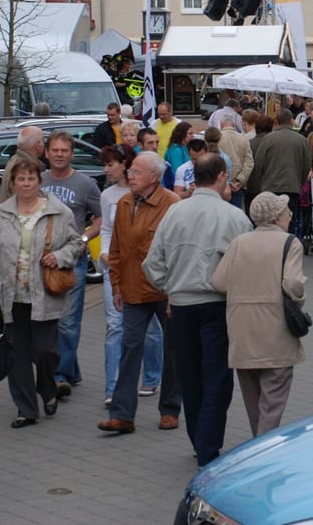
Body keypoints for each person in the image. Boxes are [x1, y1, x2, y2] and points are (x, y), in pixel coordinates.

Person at [143, 154, 252, 467]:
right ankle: (207, 445)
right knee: (217, 377)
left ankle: (199, 440)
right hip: (218, 304)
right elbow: (244, 266)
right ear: (220, 176)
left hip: (181, 305)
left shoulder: (174, 212)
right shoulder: (234, 217)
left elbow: (152, 263)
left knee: (190, 377)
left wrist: (171, 286)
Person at [0, 154, 82, 428]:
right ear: (13, 182)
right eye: (20, 179)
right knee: (16, 355)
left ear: (40, 182)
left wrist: (60, 257)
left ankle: (48, 387)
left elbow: (76, 244)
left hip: (44, 295)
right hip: (10, 295)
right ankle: (26, 409)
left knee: (43, 352)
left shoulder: (57, 211)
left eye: (31, 179)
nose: (26, 184)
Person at [98, 151, 183, 434]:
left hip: (164, 291)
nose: (129, 175)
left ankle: (170, 410)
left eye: (135, 171)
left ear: (153, 177)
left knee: (173, 350)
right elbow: (118, 250)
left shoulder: (172, 204)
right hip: (133, 289)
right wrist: (117, 286)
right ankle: (123, 415)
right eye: (130, 171)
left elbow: (178, 253)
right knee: (129, 348)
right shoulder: (123, 203)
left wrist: (174, 294)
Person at [211, 192, 305, 437]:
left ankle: (257, 443)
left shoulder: (239, 242)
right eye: (285, 211)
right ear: (276, 217)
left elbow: (219, 282)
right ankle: (263, 451)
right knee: (273, 401)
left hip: (242, 332)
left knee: (254, 401)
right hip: (276, 330)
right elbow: (293, 284)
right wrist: (300, 299)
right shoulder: (290, 242)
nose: (290, 214)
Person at [97, 145, 162, 408]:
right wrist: (104, 256)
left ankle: (152, 377)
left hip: (152, 277)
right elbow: (107, 231)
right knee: (116, 327)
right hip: (117, 269)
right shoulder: (111, 197)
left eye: (110, 164)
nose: (105, 169)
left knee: (153, 331)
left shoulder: (162, 198)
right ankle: (113, 389)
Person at [41, 130, 102, 399]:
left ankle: (60, 375)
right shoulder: (38, 180)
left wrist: (85, 237)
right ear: (46, 153)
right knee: (49, 319)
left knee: (68, 321)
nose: (59, 155)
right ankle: (71, 369)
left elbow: (101, 218)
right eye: (55, 150)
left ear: (71, 154)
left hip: (73, 260)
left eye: (64, 151)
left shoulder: (85, 184)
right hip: (42, 261)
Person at [250, 109, 311, 233]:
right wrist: (299, 181)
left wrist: (265, 178)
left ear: (276, 122)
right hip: (292, 186)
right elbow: (306, 165)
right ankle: (288, 246)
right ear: (291, 121)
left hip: (270, 185)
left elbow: (259, 163)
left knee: (270, 220)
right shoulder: (301, 140)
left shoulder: (268, 139)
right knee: (289, 219)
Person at [0, 126, 47, 202]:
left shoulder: (15, 160)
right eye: (43, 142)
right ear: (37, 145)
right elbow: (24, 202)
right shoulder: (24, 166)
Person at [218, 113, 254, 209]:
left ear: (222, 124)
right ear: (234, 124)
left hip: (220, 185)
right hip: (237, 185)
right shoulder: (243, 139)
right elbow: (249, 162)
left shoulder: (217, 138)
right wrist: (240, 180)